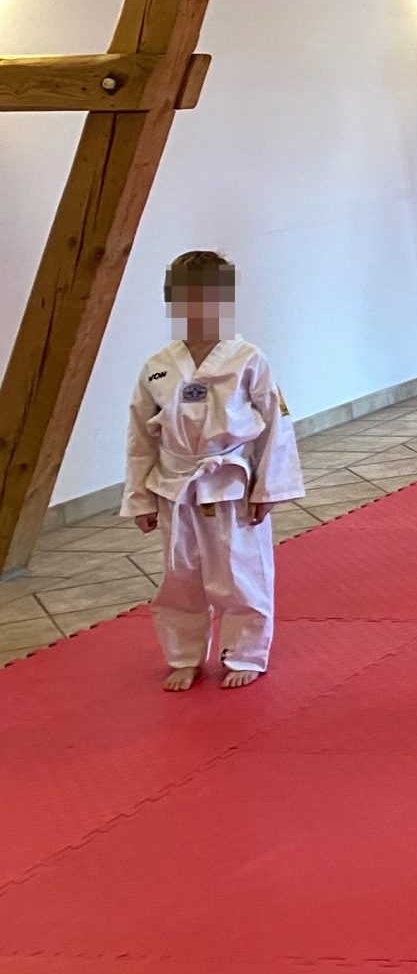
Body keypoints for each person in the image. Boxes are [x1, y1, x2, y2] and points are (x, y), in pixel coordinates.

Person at [124, 251, 303, 690]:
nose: (198, 307)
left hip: (231, 484)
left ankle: (246, 653)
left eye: (208, 297)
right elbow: (140, 437)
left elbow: (275, 426)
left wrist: (267, 488)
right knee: (180, 576)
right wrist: (140, 498)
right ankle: (184, 655)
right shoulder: (158, 367)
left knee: (241, 571)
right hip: (176, 486)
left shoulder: (248, 359)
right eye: (188, 297)